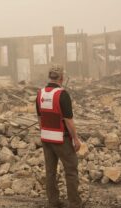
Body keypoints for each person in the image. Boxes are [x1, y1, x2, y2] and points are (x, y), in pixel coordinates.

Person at [36, 64, 82, 208]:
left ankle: (53, 202)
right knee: (71, 169)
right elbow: (68, 120)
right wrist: (75, 139)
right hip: (61, 139)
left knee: (50, 172)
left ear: (49, 77)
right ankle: (75, 203)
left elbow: (39, 118)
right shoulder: (62, 94)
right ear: (61, 78)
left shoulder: (40, 93)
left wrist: (44, 132)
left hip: (46, 138)